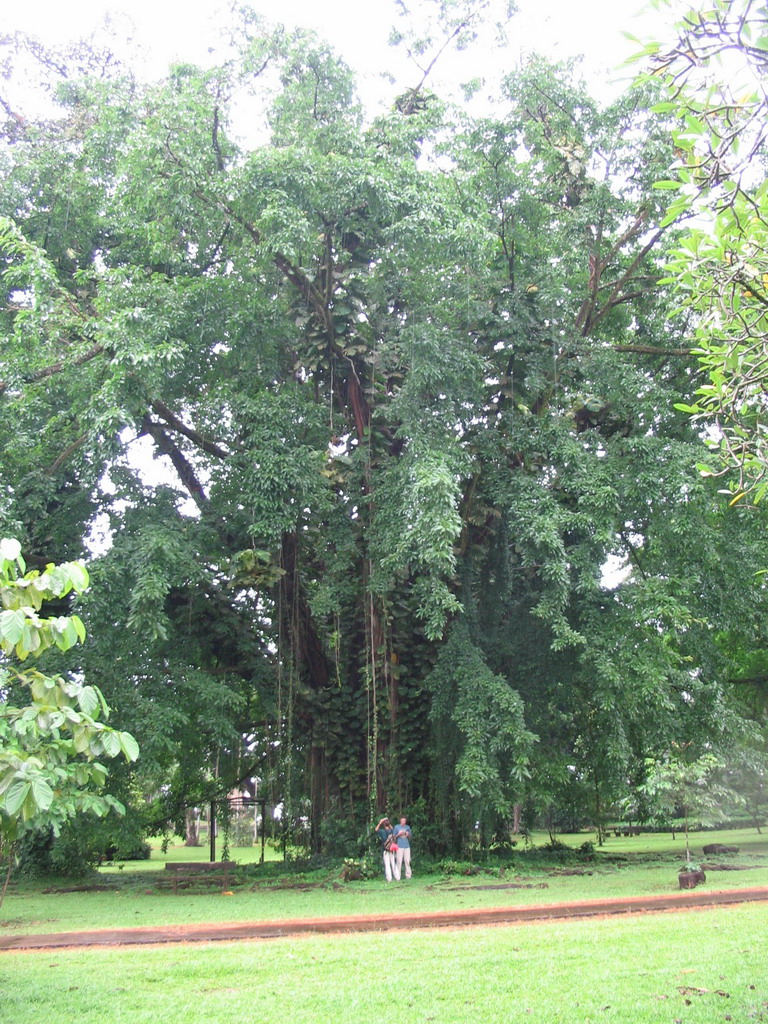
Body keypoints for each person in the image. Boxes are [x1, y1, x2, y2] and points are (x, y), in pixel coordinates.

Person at [374, 816, 397, 882]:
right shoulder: (391, 831)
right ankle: (397, 877)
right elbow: (393, 829)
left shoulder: (382, 831)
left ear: (384, 825)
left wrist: (380, 822)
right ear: (389, 824)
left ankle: (389, 878)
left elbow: (376, 830)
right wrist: (388, 823)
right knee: (393, 863)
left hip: (386, 850)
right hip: (392, 849)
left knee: (387, 864)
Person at [392, 815, 412, 880]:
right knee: (399, 861)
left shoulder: (407, 827)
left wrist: (407, 834)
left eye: (405, 821)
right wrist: (399, 834)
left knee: (407, 860)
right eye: (402, 820)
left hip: (407, 846)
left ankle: (408, 876)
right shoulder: (397, 827)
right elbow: (393, 837)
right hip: (399, 846)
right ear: (400, 820)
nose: (403, 822)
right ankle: (398, 876)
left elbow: (410, 837)